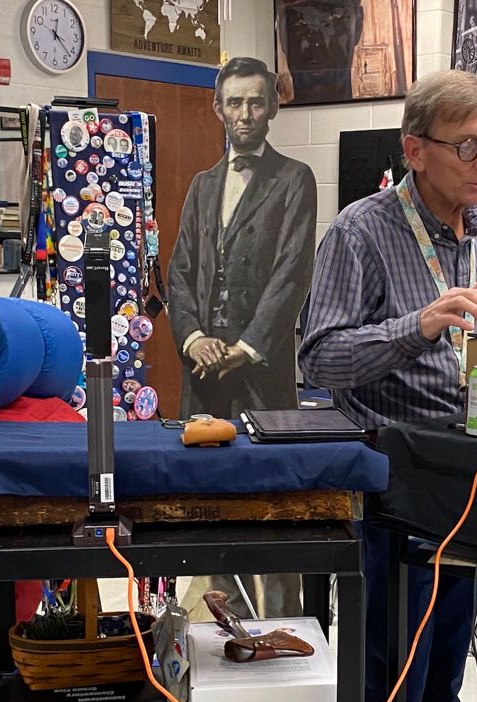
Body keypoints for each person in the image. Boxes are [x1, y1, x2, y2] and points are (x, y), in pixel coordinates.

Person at [299, 69, 477, 702]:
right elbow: (320, 358)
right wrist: (416, 327)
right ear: (415, 150)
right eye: (468, 145)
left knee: (447, 671)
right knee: (394, 678)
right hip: (395, 479)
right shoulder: (359, 232)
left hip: (469, 471)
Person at [168, 56, 317, 620]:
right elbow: (179, 272)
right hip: (204, 374)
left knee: (273, 507)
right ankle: (228, 629)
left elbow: (292, 274)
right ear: (218, 109)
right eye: (235, 103)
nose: (245, 114)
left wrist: (246, 346)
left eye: (256, 101)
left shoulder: (294, 179)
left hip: (262, 371)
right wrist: (194, 338)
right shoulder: (202, 185)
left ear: (273, 106)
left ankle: (283, 637)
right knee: (213, 509)